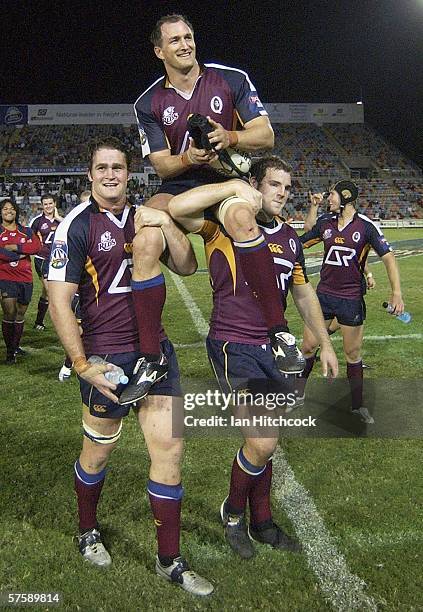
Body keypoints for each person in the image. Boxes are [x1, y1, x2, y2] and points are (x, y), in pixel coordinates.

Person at [48, 137, 213, 596]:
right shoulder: (75, 226)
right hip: (106, 358)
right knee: (98, 452)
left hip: (153, 353)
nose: (110, 175)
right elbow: (59, 300)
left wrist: (166, 222)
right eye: (101, 168)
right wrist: (81, 363)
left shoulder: (144, 217)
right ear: (90, 174)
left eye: (117, 167)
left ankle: (169, 560)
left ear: (129, 173)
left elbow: (186, 266)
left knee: (170, 453)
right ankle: (86, 530)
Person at [128, 14, 304, 404]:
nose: (185, 44)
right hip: (179, 183)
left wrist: (231, 135)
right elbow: (161, 164)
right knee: (144, 239)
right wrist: (190, 156)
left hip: (226, 182)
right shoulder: (148, 102)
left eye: (188, 36)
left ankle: (278, 331)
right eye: (174, 40)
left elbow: (267, 134)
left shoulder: (231, 78)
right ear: (160, 51)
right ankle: (150, 355)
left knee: (242, 219)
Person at [169, 156, 338, 557]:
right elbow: (178, 208)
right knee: (262, 442)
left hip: (273, 350)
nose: (281, 193)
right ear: (254, 185)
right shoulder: (222, 225)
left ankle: (261, 522)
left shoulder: (291, 238)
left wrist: (326, 344)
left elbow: (302, 292)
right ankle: (232, 513)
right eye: (274, 185)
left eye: (286, 187)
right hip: (233, 345)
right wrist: (230, 189)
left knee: (265, 443)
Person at [298, 180, 404, 423]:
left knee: (352, 353)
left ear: (345, 198)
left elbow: (388, 257)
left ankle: (357, 406)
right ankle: (297, 395)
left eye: (332, 195)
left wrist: (396, 293)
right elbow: (303, 240)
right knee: (307, 347)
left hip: (351, 299)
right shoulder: (326, 222)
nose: (329, 198)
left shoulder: (367, 227)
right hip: (322, 296)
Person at [0, 198, 41, 364]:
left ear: (16, 211)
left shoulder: (26, 230)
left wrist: (16, 248)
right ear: (1, 212)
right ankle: (10, 352)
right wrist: (21, 254)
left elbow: (37, 246)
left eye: (12, 208)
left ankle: (15, 346)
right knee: (9, 312)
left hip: (25, 278)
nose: (9, 211)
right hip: (6, 278)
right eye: (5, 209)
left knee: (20, 314)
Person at [58, 190, 91, 382]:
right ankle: (69, 364)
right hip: (80, 293)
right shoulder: (72, 230)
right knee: (78, 331)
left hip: (104, 294)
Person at [30, 193, 63, 330]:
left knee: (45, 292)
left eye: (50, 203)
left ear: (54, 204)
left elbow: (72, 230)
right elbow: (29, 238)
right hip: (42, 259)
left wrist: (58, 218)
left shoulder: (61, 220)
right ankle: (60, 324)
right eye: (45, 204)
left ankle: (38, 321)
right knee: (52, 292)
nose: (48, 206)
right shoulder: (37, 221)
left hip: (58, 259)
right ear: (42, 206)